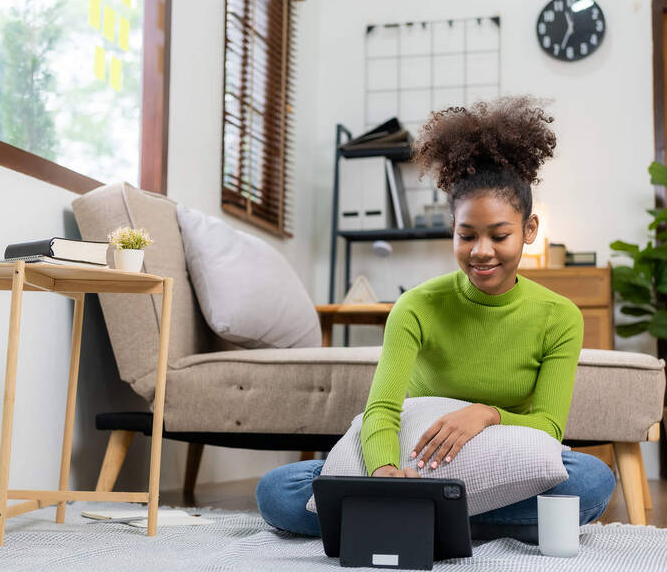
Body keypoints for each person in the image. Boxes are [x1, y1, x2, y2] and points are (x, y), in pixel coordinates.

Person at [254, 96, 616, 543]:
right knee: (277, 492)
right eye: (467, 235)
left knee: (592, 482)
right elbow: (382, 410)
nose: (482, 251)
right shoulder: (418, 306)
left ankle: (415, 518)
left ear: (529, 229)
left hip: (503, 463)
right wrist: (386, 471)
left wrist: (483, 415)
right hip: (417, 463)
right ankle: (464, 520)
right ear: (453, 229)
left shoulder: (559, 317)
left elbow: (548, 427)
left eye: (499, 235)